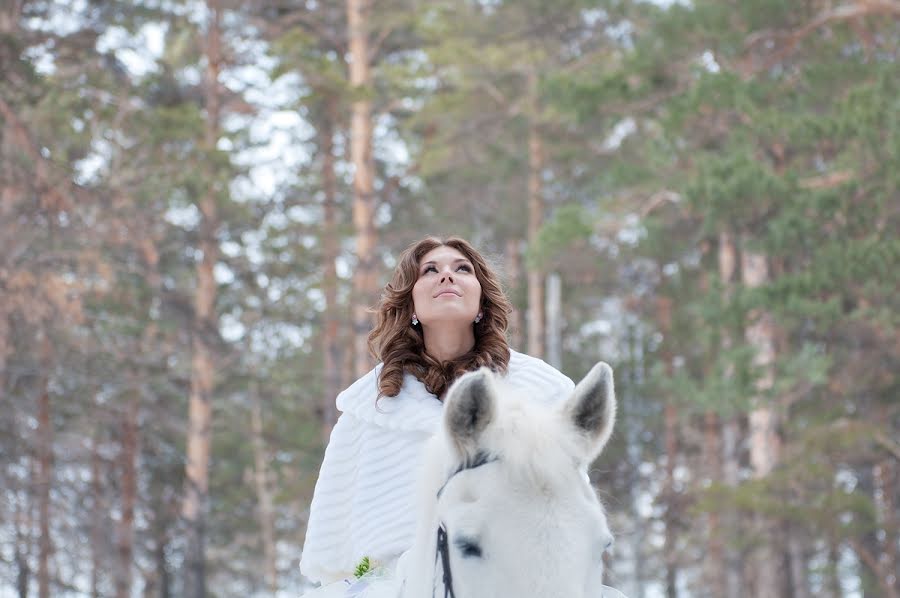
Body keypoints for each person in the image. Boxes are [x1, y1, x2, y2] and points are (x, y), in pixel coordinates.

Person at [299, 236, 581, 595]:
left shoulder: (542, 391)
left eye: (462, 269)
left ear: (481, 302)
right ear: (411, 305)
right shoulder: (368, 406)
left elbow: (571, 513)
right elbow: (335, 545)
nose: (446, 276)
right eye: (430, 270)